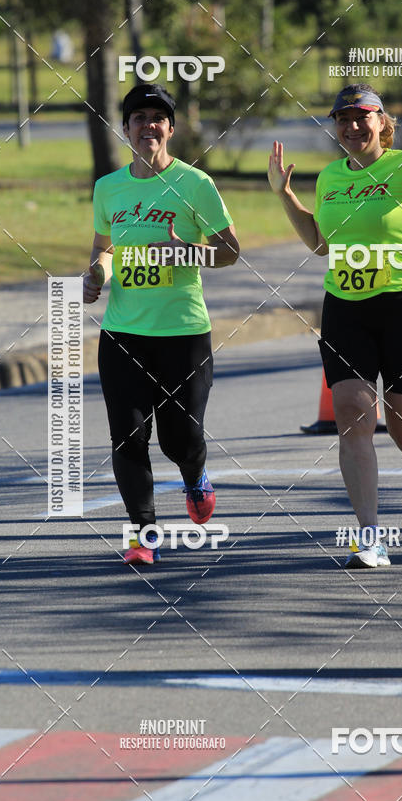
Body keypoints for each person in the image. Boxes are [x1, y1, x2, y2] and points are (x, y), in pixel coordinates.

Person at [268, 77, 402, 569]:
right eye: (343, 119)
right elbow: (321, 244)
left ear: (382, 122)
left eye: (362, 117)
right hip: (345, 307)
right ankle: (370, 537)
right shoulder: (330, 177)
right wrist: (285, 197)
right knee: (353, 416)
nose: (352, 126)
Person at [84, 83, 239, 565]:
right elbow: (105, 247)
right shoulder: (108, 188)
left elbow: (230, 251)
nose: (147, 126)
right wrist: (96, 274)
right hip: (123, 333)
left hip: (183, 334)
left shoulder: (195, 184)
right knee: (128, 437)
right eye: (138, 118)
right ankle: (142, 535)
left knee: (180, 440)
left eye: (157, 118)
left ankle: (194, 476)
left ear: (170, 129)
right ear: (125, 128)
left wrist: (185, 251)